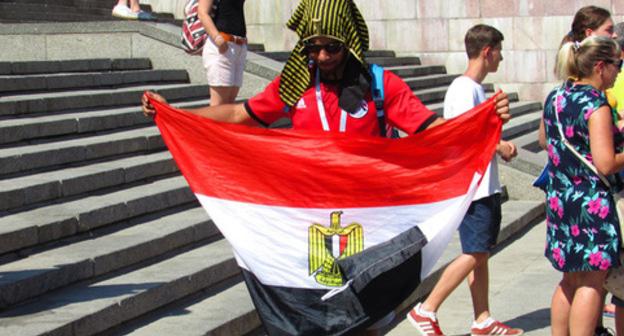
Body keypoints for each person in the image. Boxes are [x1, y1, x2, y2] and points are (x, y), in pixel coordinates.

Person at [143, 0, 510, 333]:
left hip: (370, 228)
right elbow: (241, 114)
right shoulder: (296, 83)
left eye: (331, 46)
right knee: (310, 324)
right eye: (312, 47)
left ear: (349, 41)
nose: (321, 56)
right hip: (309, 228)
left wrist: (483, 121)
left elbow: (432, 130)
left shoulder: (380, 85)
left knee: (368, 322)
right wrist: (177, 114)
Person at [404, 24, 521, 336]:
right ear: (487, 51)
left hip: (478, 184)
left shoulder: (470, 88)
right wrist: (501, 145)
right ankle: (426, 309)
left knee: (479, 253)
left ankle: (482, 318)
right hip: (475, 186)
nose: (501, 57)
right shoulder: (465, 88)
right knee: (477, 252)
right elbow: (463, 135)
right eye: (498, 51)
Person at [538, 35, 624, 336]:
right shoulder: (595, 103)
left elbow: (543, 141)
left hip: (561, 200)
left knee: (569, 280)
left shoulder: (557, 97)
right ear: (600, 66)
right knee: (592, 281)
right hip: (591, 203)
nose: (619, 72)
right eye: (617, 65)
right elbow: (606, 163)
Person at [197, 0, 248, 106]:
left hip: (239, 47)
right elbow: (202, 13)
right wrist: (217, 39)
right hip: (221, 46)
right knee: (219, 106)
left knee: (229, 105)